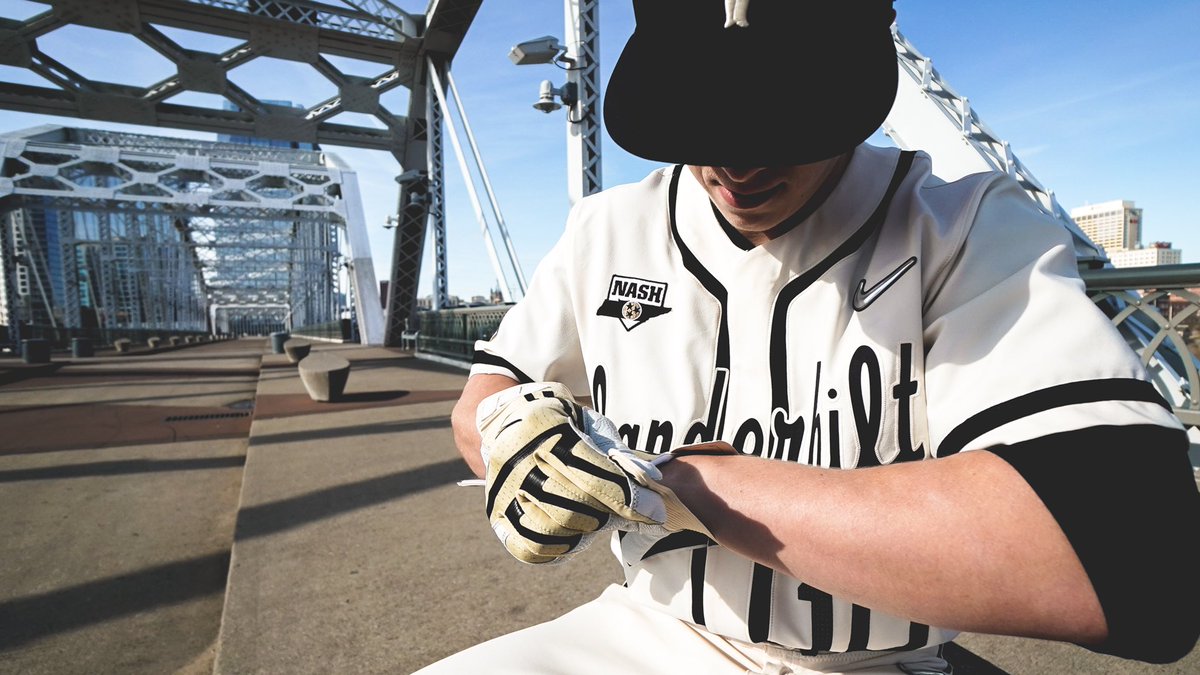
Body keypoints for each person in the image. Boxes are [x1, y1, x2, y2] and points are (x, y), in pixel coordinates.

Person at [418, 1, 1200, 673]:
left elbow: (1140, 564)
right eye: (697, 107)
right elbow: (484, 396)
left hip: (882, 660)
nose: (735, 158)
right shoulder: (607, 230)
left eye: (781, 110)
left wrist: (690, 484)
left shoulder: (962, 225)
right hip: (653, 630)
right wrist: (514, 431)